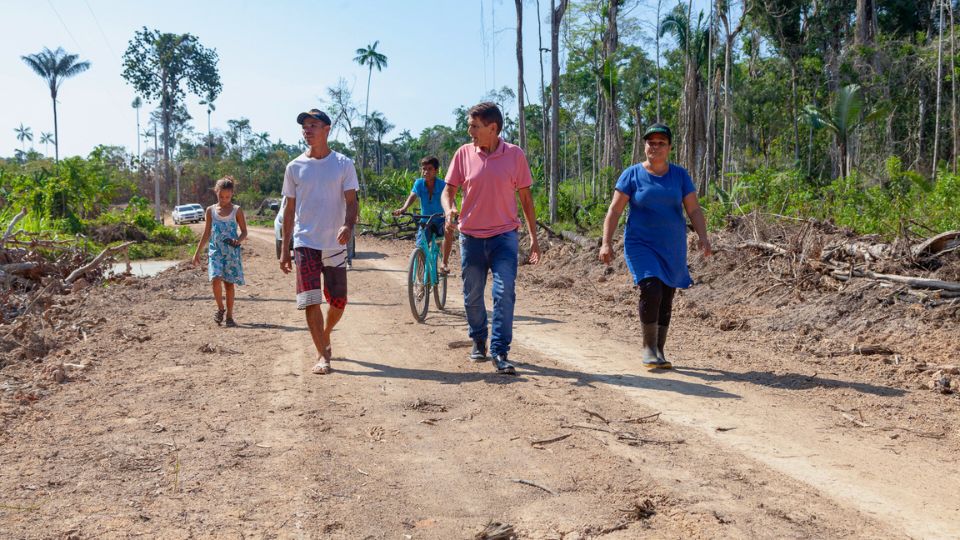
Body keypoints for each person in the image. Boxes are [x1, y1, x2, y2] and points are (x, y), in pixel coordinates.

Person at [598, 123, 712, 369]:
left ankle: (659, 349)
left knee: (667, 293)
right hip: (640, 244)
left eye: (661, 143)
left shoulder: (679, 175)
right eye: (651, 142)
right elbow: (615, 210)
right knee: (651, 288)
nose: (655, 147)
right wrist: (606, 242)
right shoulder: (632, 174)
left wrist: (703, 236)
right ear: (645, 146)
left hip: (672, 245)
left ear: (669, 148)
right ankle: (648, 348)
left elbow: (693, 208)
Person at [441, 102, 540, 375]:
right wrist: (449, 208)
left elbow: (526, 199)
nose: (469, 131)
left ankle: (499, 350)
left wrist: (533, 237)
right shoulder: (463, 154)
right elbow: (448, 191)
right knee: (472, 295)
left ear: (492, 128)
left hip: (504, 237)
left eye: (474, 126)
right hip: (470, 237)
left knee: (504, 292)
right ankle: (478, 337)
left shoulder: (515, 155)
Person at [279, 109, 359, 375]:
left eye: (313, 125)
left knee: (338, 301)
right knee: (310, 300)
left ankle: (324, 333)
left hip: (334, 243)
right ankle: (323, 355)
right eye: (304, 126)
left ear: (327, 129)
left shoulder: (343, 164)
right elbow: (289, 210)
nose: (307, 130)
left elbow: (351, 201)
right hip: (305, 242)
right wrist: (284, 250)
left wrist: (348, 225)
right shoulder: (294, 167)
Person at [192, 176, 247, 327]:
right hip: (215, 252)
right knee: (215, 279)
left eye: (227, 197)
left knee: (229, 285)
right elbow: (206, 233)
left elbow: (244, 232)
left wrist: (238, 240)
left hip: (231, 253)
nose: (224, 199)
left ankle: (229, 316)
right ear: (216, 192)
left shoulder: (237, 210)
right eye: (221, 196)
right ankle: (220, 308)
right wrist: (197, 252)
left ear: (232, 194)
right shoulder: (210, 211)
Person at [392, 156, 454, 273]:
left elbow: (450, 198)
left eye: (429, 169)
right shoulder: (419, 183)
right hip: (426, 221)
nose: (425, 172)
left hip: (440, 220)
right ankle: (420, 281)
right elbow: (412, 196)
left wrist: (451, 212)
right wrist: (404, 208)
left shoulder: (442, 185)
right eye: (424, 169)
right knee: (420, 248)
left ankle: (444, 263)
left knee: (448, 230)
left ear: (436, 170)